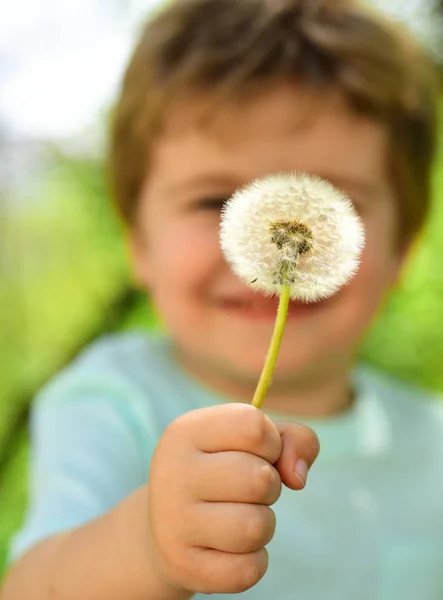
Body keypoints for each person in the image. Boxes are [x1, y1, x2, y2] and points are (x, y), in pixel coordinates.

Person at [3, 0, 442, 598]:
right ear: (137, 241)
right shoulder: (111, 400)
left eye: (336, 200)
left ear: (402, 249)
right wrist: (147, 546)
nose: (282, 236)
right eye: (214, 200)